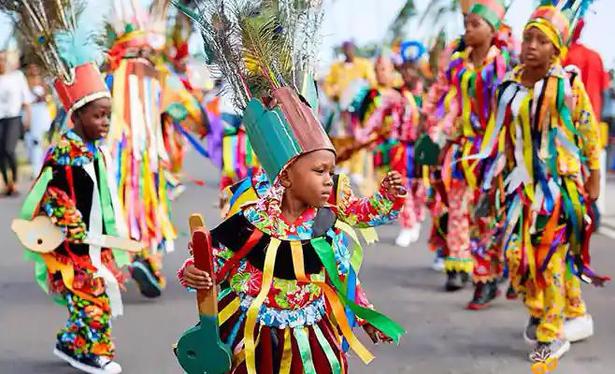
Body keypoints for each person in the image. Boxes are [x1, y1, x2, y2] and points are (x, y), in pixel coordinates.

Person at [175, 2, 406, 372]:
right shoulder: (249, 223)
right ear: (283, 177)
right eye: (319, 171)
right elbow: (207, 260)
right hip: (256, 342)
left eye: (332, 170)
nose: (330, 179)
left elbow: (343, 276)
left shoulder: (325, 223)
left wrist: (366, 317)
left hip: (312, 342)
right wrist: (194, 272)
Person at [475, 0, 608, 361]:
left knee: (549, 258)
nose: (531, 45)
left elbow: (589, 134)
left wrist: (594, 178)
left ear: (556, 49)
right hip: (520, 189)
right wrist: (492, 182)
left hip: (558, 190)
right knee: (518, 256)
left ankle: (552, 332)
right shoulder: (509, 86)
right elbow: (501, 138)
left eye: (541, 40)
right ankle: (560, 311)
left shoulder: (568, 86)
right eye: (527, 38)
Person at [8, 1, 131, 371]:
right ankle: (95, 352)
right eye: (98, 116)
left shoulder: (95, 149)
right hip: (73, 244)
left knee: (94, 296)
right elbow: (54, 194)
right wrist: (74, 230)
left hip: (95, 241)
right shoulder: (64, 151)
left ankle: (72, 342)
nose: (106, 122)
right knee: (91, 294)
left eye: (108, 115)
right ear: (76, 117)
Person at [423, 0, 511, 309]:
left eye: (475, 24)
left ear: (492, 30)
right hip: (461, 148)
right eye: (466, 24)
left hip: (494, 152)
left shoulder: (503, 64)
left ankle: (489, 270)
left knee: (487, 213)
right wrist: (434, 127)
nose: (468, 29)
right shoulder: (458, 64)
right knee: (457, 207)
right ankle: (459, 267)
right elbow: (439, 94)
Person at [323, 41, 377, 190]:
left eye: (350, 49)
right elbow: (328, 84)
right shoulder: (336, 67)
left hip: (358, 111)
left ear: (354, 49)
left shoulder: (364, 65)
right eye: (345, 49)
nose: (348, 52)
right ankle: (343, 165)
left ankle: (356, 170)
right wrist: (333, 94)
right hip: (341, 109)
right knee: (340, 138)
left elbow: (372, 83)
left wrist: (362, 95)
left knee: (358, 138)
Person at [0, 50, 32, 196]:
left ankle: (16, 182)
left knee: (9, 149)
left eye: (3, 60)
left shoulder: (17, 77)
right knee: (1, 153)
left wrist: (28, 118)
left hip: (13, 117)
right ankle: (8, 184)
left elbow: (26, 100)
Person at [25, 62, 53, 179]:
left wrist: (43, 97)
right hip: (33, 113)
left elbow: (48, 98)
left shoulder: (44, 84)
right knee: (34, 141)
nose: (34, 71)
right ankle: (36, 169)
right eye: (31, 69)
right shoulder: (26, 84)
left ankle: (46, 166)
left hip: (43, 112)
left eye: (35, 69)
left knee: (45, 140)